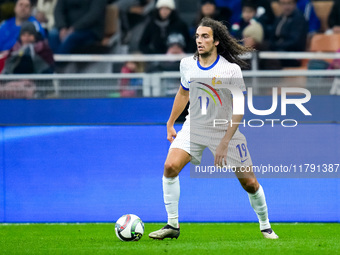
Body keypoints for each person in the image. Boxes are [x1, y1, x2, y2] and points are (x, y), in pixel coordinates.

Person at [148, 17, 279, 240]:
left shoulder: (231, 71)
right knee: (170, 166)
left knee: (249, 183)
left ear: (216, 41)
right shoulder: (187, 64)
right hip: (194, 126)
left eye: (205, 36)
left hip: (224, 130)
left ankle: (265, 226)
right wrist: (171, 122)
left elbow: (239, 109)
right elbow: (183, 93)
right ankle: (172, 225)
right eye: (198, 36)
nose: (200, 40)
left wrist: (225, 142)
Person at [268, 0, 308, 67]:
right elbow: (272, 37)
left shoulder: (299, 19)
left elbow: (295, 41)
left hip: (291, 55)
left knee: (268, 62)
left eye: (289, 3)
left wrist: (276, 46)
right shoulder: (279, 18)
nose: (286, 7)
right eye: (283, 4)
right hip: (278, 51)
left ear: (294, 4)